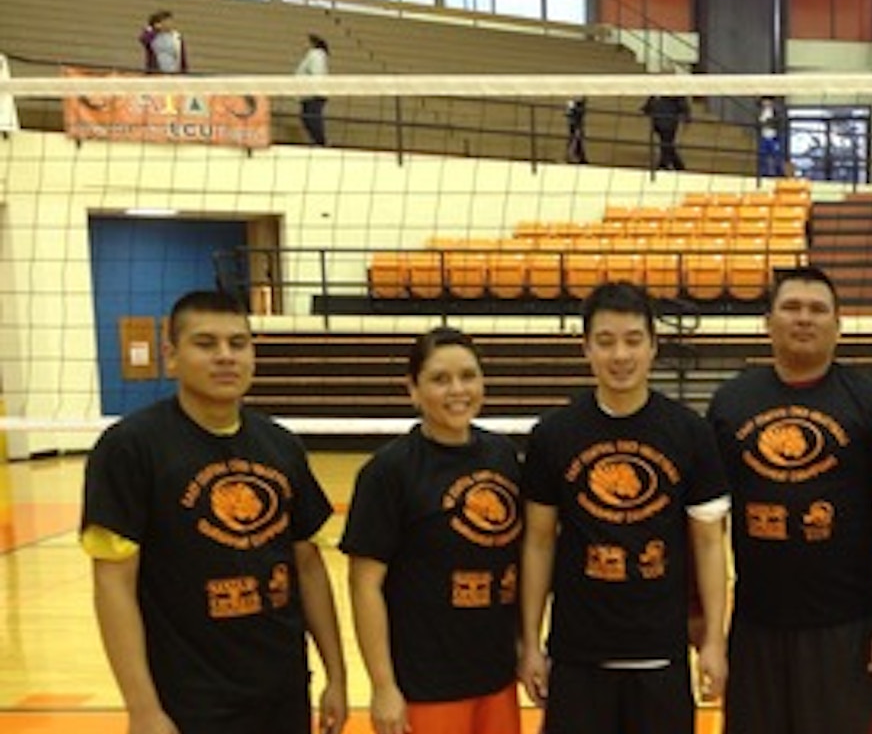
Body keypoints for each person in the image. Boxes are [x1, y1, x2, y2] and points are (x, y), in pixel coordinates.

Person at [81, 290, 347, 734]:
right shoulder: (130, 448)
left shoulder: (281, 446)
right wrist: (142, 708)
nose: (225, 357)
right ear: (171, 356)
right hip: (189, 699)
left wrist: (336, 676)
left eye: (238, 343)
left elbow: (310, 568)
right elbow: (113, 584)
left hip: (281, 691)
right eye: (206, 344)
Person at [706, 266, 872, 734]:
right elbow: (704, 527)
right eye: (791, 308)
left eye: (818, 309)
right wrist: (700, 616)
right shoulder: (730, 404)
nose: (804, 319)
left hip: (848, 629)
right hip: (756, 626)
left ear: (838, 324)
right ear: (768, 321)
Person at [518, 281, 729, 734]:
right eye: (606, 341)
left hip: (660, 651)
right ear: (585, 348)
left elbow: (710, 544)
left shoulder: (690, 433)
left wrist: (714, 641)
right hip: (577, 654)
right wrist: (530, 644)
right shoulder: (553, 435)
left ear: (653, 346)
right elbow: (537, 543)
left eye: (633, 340)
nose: (620, 355)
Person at [341, 327, 523, 734]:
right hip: (426, 686)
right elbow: (364, 585)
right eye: (440, 379)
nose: (458, 390)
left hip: (496, 676)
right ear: (413, 389)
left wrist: (524, 644)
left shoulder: (503, 455)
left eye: (468, 376)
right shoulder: (389, 472)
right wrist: (384, 686)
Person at [295, 34, 330, 146]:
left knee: (312, 118)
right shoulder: (311, 56)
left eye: (305, 42)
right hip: (308, 94)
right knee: (307, 118)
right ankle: (318, 141)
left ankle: (320, 142)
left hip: (314, 94)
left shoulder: (316, 55)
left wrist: (315, 89)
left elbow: (317, 73)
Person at [642, 95, 690, 171]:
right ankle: (673, 164)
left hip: (663, 118)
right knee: (666, 143)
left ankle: (667, 164)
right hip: (665, 119)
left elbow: (652, 100)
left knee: (666, 142)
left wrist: (647, 108)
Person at [757, 96, 784, 177]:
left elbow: (777, 122)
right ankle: (764, 174)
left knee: (776, 156)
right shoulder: (760, 112)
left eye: (767, 101)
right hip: (763, 137)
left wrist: (767, 123)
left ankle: (779, 173)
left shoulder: (776, 111)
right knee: (763, 157)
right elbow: (759, 123)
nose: (765, 103)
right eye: (764, 101)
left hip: (773, 137)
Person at [565, 97, 588, 164]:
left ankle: (580, 158)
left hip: (576, 126)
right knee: (575, 141)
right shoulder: (574, 107)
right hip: (575, 126)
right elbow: (569, 114)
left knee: (577, 141)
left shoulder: (578, 108)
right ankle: (572, 158)